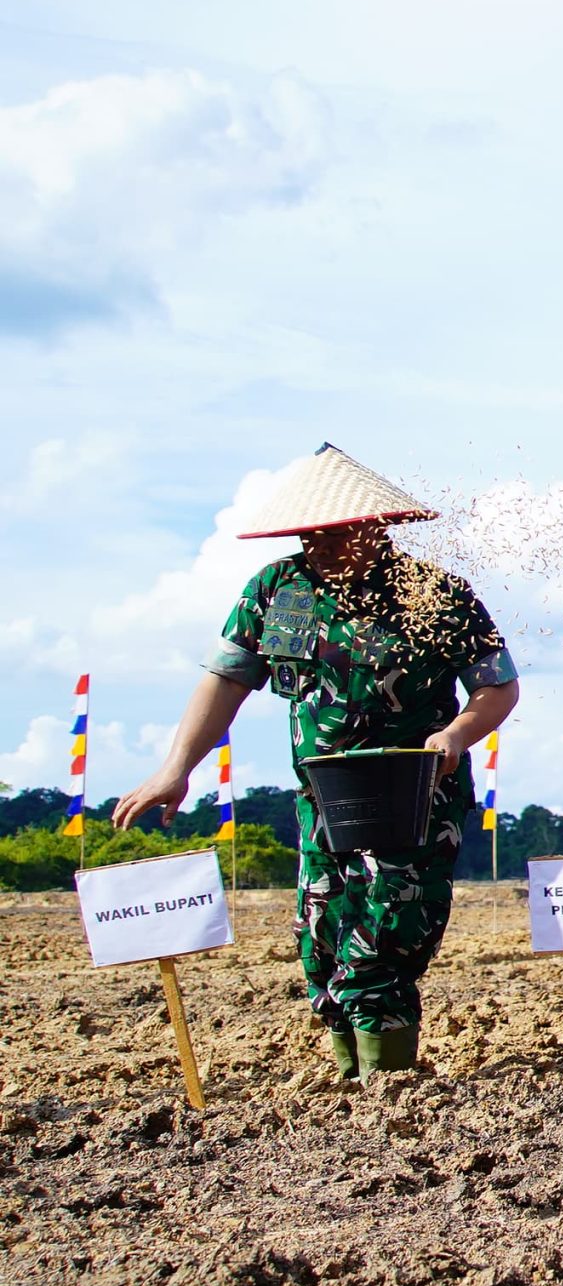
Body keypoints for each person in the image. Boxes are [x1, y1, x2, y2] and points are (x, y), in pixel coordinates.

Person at [115, 444, 519, 1079]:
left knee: (392, 921)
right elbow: (225, 681)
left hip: (414, 790)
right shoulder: (278, 589)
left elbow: (497, 688)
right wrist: (176, 767)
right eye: (311, 534)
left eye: (335, 534)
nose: (320, 545)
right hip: (323, 794)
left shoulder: (436, 593)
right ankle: (345, 1079)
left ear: (375, 526)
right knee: (324, 926)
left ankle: (387, 1081)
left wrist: (456, 735)